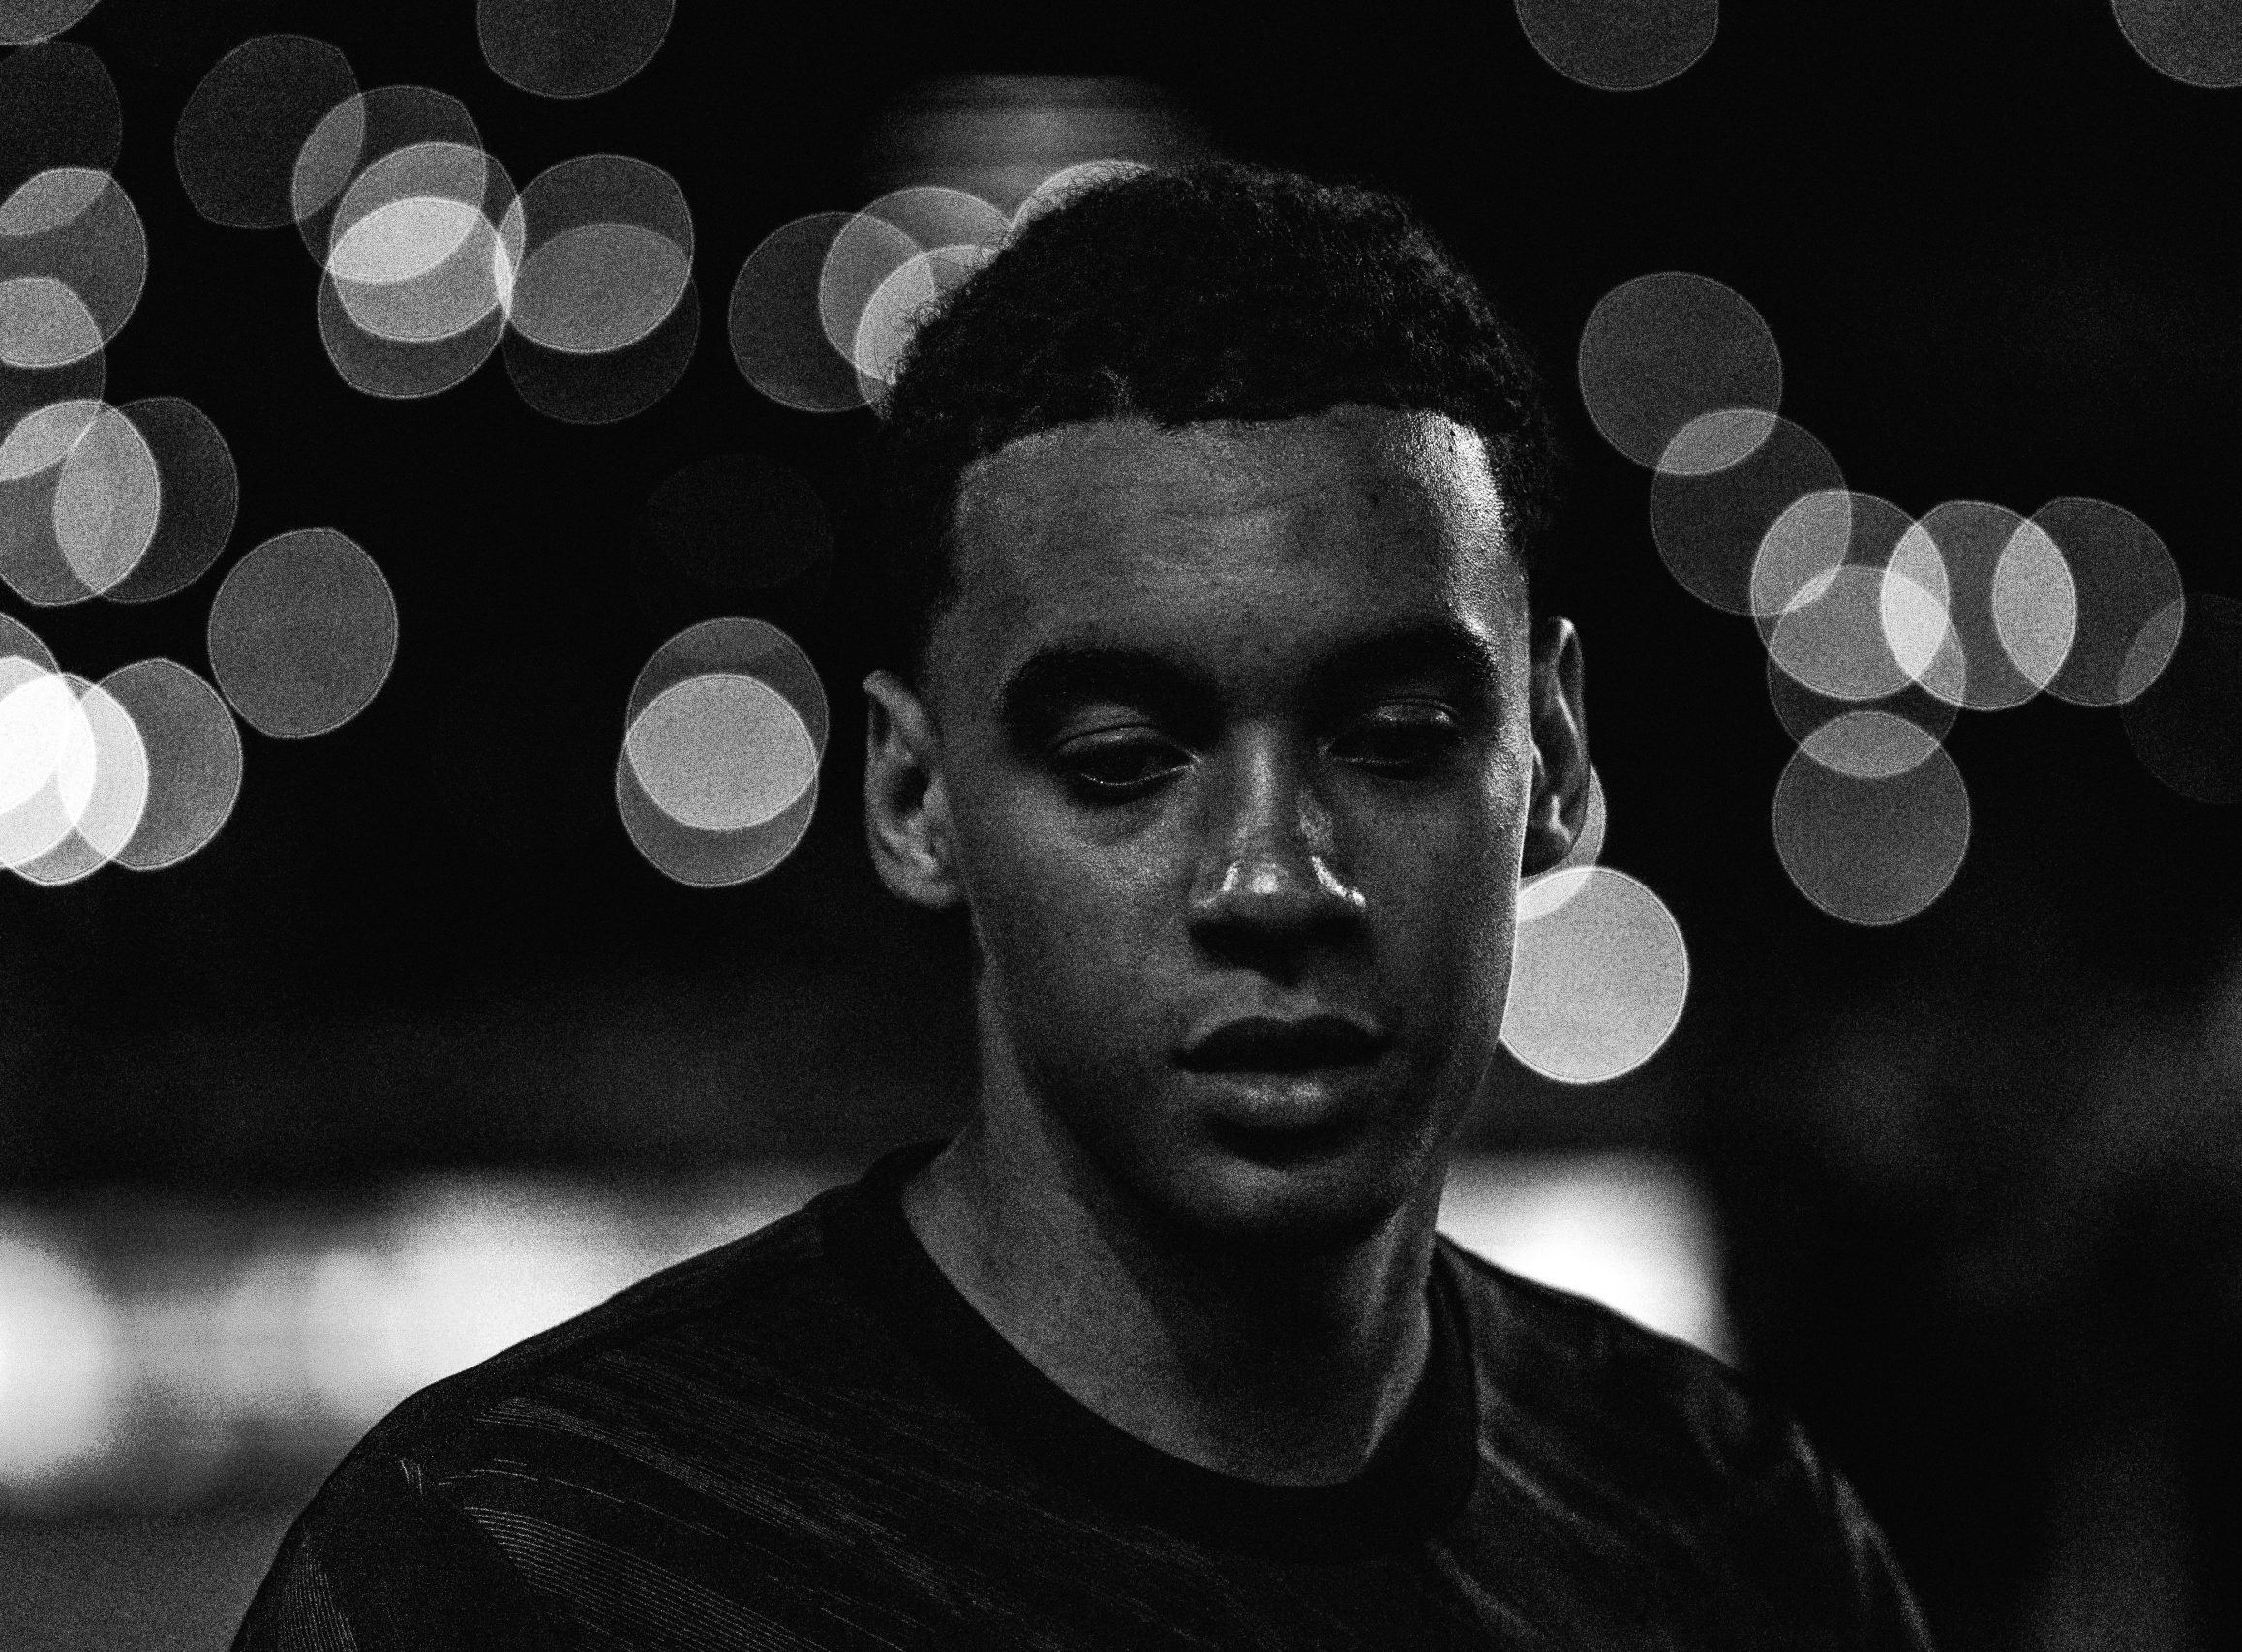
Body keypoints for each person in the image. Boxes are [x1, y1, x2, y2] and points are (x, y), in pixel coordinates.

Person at [234, 162, 1934, 1649]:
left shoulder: (1731, 1544)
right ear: (915, 800)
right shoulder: (530, 1572)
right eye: (1125, 761)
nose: (1273, 876)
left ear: (1551, 759)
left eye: (1397, 739)